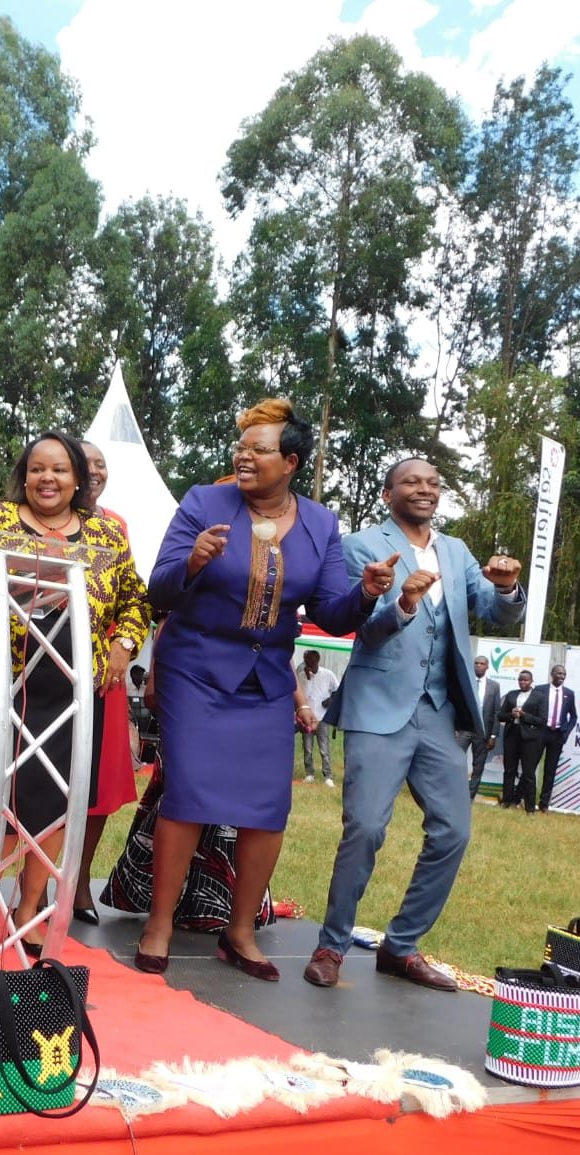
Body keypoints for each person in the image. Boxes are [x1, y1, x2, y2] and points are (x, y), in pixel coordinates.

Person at [139, 400, 380, 980]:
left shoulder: (321, 523)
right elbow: (158, 590)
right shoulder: (204, 501)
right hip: (196, 669)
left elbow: (329, 610)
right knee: (190, 795)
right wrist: (193, 562)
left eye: (259, 449)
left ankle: (240, 932)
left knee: (268, 809)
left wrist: (367, 593)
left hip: (268, 677)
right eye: (241, 447)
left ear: (291, 461)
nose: (243, 456)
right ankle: (159, 924)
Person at [308, 457, 525, 992]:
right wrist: (403, 602)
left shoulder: (456, 552)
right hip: (379, 707)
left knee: (453, 831)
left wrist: (505, 588)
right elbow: (362, 626)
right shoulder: (360, 544)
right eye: (412, 481)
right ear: (388, 494)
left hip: (438, 714)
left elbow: (496, 614)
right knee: (365, 829)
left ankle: (400, 946)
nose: (424, 489)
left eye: (433, 482)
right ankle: (331, 945)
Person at [0, 431, 151, 956]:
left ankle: (29, 910)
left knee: (58, 804)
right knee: (7, 802)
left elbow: (134, 600)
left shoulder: (106, 532)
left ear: (78, 477)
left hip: (75, 691)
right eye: (38, 468)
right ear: (24, 474)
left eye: (60, 469)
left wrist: (124, 647)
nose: (48, 479)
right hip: (6, 685)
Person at [73, 439, 142, 924]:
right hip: (42, 669)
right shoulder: (22, 519)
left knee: (97, 785)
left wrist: (123, 649)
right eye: (85, 462)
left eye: (101, 464)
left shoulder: (115, 526)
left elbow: (131, 598)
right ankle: (24, 888)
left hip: (104, 675)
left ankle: (77, 882)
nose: (94, 470)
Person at [521, 665, 577, 813]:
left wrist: (566, 733)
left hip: (557, 735)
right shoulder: (540, 689)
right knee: (530, 767)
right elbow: (530, 710)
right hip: (540, 732)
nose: (561, 676)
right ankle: (521, 798)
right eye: (558, 673)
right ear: (552, 674)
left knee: (550, 770)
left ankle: (544, 803)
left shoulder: (569, 694)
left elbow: (574, 716)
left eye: (564, 674)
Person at [457, 656, 501, 799]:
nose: (478, 666)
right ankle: (454, 790)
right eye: (476, 663)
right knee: (455, 759)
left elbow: (496, 712)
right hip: (464, 728)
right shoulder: (465, 682)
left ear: (487, 667)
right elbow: (457, 705)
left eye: (482, 664)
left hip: (483, 731)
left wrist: (493, 735)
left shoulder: (494, 686)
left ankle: (470, 795)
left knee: (478, 765)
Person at [296, 650, 340, 785]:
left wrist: (331, 700)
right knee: (307, 748)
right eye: (306, 660)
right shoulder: (301, 676)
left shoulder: (327, 674)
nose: (308, 663)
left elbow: (337, 691)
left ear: (317, 661)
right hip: (307, 719)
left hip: (322, 718)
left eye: (310, 661)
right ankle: (310, 774)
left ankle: (328, 776)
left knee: (324, 748)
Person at [497, 670, 537, 810]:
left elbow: (542, 720)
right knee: (509, 770)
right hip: (511, 735)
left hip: (529, 739)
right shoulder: (511, 694)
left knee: (528, 773)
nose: (523, 682)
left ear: (531, 681)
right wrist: (511, 715)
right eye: (520, 680)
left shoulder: (539, 697)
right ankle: (506, 802)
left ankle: (530, 807)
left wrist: (524, 716)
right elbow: (500, 715)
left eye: (526, 680)